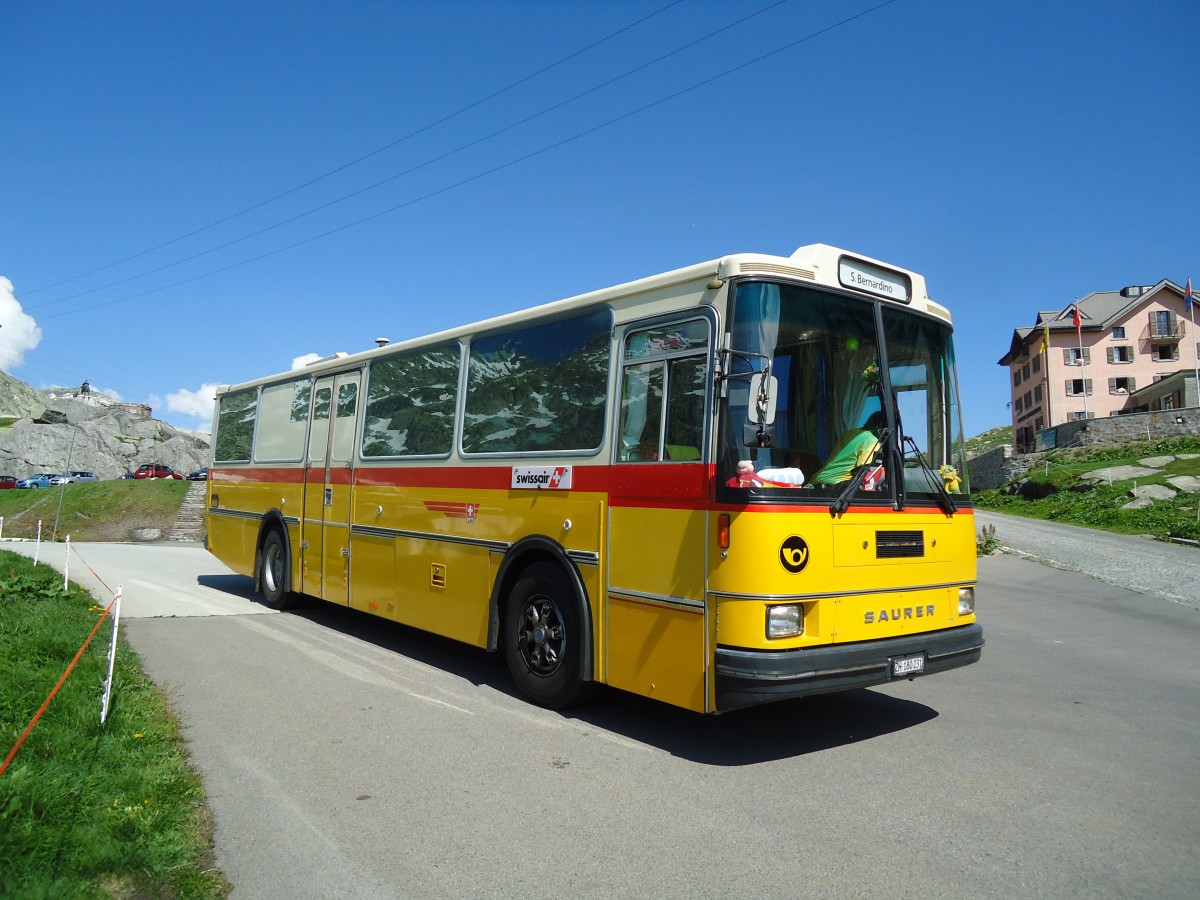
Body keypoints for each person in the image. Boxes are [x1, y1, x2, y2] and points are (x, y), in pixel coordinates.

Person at [809, 411, 885, 485]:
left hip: (817, 481)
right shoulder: (872, 442)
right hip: (836, 486)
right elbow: (864, 474)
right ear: (880, 429)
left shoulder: (850, 433)